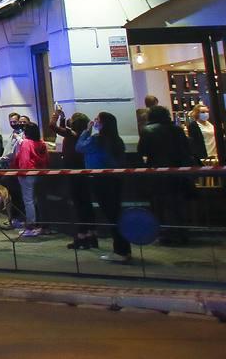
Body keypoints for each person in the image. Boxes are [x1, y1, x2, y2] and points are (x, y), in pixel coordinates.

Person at [76, 112, 132, 264]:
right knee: (116, 213)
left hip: (101, 180)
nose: (94, 122)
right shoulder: (116, 140)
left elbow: (80, 147)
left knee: (112, 215)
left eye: (97, 120)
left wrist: (87, 130)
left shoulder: (97, 140)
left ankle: (120, 250)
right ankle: (123, 249)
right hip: (116, 180)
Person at [139, 104, 195, 245]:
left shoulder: (148, 130)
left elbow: (142, 151)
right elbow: (186, 149)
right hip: (177, 172)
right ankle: (181, 232)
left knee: (161, 204)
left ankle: (166, 234)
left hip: (157, 172)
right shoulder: (177, 130)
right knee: (176, 203)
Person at [52, 109, 95, 250]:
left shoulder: (72, 135)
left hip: (74, 173)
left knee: (79, 205)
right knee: (86, 204)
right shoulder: (83, 135)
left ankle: (81, 237)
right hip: (83, 172)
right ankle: (91, 235)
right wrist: (63, 119)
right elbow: (64, 130)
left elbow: (53, 127)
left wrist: (56, 115)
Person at [12, 122, 49, 237]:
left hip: (28, 174)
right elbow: (47, 158)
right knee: (39, 200)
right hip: (40, 173)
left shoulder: (26, 143)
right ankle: (42, 225)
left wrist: (22, 173)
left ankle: (31, 226)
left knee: (29, 201)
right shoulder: (42, 143)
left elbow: (24, 160)